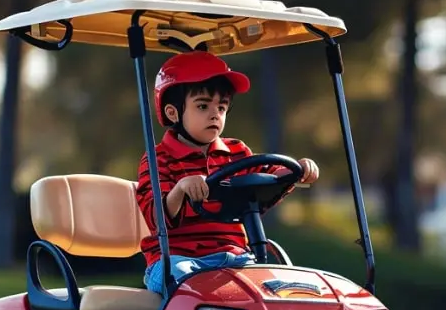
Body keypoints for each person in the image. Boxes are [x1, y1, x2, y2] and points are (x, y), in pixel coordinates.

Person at [136, 51, 319, 294]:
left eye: (221, 107)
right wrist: (180, 189)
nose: (215, 114)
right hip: (176, 260)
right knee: (189, 285)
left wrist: (298, 170)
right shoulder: (158, 158)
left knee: (280, 290)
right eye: (202, 106)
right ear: (173, 113)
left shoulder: (236, 151)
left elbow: (268, 175)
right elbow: (155, 218)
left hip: (234, 258)